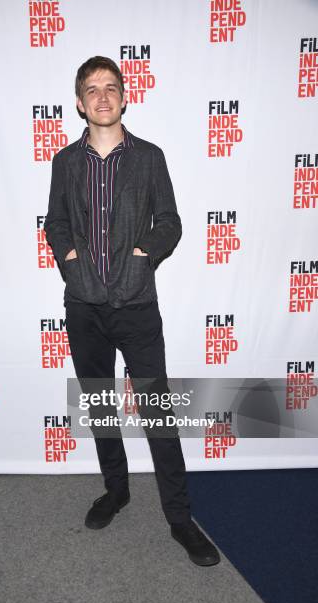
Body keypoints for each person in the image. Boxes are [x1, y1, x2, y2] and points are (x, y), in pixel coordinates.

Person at [44, 56, 220, 566]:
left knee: (158, 413)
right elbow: (55, 225)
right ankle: (116, 490)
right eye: (91, 89)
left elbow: (170, 221)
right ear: (79, 103)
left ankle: (181, 520)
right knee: (99, 405)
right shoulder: (65, 162)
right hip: (83, 307)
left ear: (125, 97)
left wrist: (143, 256)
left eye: (111, 88)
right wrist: (73, 264)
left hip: (137, 305)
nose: (102, 97)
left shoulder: (149, 158)